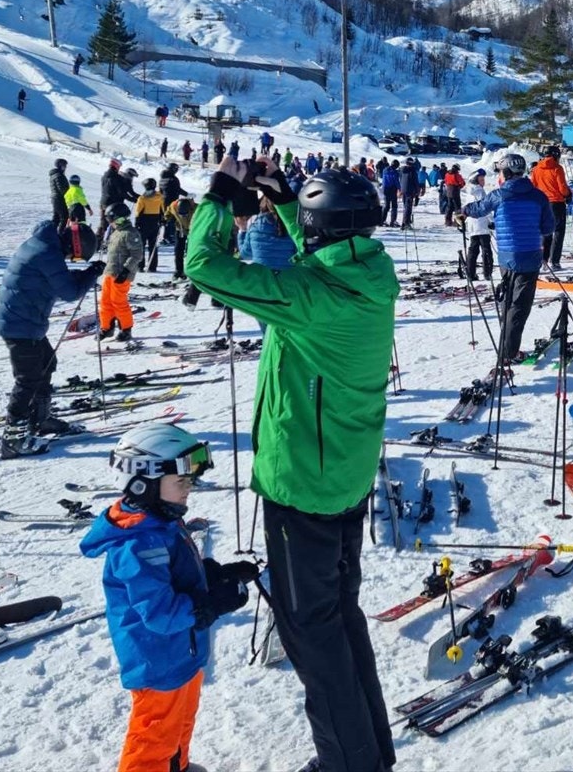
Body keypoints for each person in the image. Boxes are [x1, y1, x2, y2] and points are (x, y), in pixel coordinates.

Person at [184, 159, 398, 772]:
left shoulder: (309, 297)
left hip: (302, 484)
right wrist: (282, 202)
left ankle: (346, 762)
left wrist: (221, 195)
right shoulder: (365, 274)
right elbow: (319, 249)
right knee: (339, 618)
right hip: (343, 475)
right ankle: (368, 754)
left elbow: (202, 266)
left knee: (311, 632)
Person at [79, 423, 255, 772]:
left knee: (181, 722)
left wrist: (215, 575)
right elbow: (159, 613)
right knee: (154, 736)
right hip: (157, 660)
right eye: (181, 482)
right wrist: (211, 603)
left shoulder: (160, 522)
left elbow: (176, 575)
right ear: (143, 482)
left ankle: (178, 766)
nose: (189, 489)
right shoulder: (137, 544)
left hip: (182, 651)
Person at [0, 221, 105, 457]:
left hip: (24, 320)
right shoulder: (47, 253)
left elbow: (58, 277)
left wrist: (85, 273)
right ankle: (13, 438)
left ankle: (40, 420)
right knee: (28, 379)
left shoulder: (44, 245)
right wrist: (91, 273)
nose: (72, 259)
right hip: (20, 324)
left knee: (46, 364)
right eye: (75, 256)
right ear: (75, 245)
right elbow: (69, 292)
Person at [461, 151, 552, 366]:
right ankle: (508, 352)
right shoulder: (538, 196)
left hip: (507, 259)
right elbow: (548, 227)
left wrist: (463, 210)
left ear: (507, 172)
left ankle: (507, 346)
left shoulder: (499, 195)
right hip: (530, 257)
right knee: (519, 306)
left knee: (508, 301)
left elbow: (478, 209)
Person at [100, 203, 146, 341]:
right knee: (105, 301)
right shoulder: (116, 232)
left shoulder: (130, 233)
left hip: (122, 274)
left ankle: (126, 329)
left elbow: (137, 254)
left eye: (112, 220)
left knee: (118, 302)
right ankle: (107, 327)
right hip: (110, 271)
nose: (111, 223)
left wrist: (126, 270)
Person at [531, 145, 571, 268]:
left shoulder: (536, 169)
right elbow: (562, 188)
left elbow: (533, 186)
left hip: (542, 203)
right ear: (555, 155)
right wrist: (568, 194)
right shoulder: (557, 168)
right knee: (558, 231)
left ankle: (543, 259)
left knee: (546, 232)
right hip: (556, 203)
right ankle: (555, 261)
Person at [461, 168, 494, 280]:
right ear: (476, 180)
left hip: (472, 225)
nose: (483, 182)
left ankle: (471, 273)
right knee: (486, 249)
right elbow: (485, 208)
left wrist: (463, 221)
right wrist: (491, 221)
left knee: (473, 249)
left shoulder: (469, 192)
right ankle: (487, 272)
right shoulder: (480, 191)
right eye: (481, 179)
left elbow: (465, 208)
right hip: (482, 224)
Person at [135, 178, 165, 273]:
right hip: (155, 221)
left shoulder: (142, 198)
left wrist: (137, 222)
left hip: (144, 221)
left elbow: (138, 212)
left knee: (142, 245)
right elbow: (162, 209)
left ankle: (140, 266)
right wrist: (162, 220)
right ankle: (153, 266)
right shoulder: (159, 196)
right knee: (153, 244)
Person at [64, 174, 95, 260]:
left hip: (71, 210)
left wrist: (69, 215)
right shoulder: (77, 190)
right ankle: (82, 246)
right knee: (81, 227)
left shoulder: (68, 192)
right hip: (78, 209)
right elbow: (82, 200)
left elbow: (67, 204)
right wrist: (89, 208)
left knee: (73, 228)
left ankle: (73, 248)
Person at [167, 194, 196, 281]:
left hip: (193, 230)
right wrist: (166, 218)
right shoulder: (173, 206)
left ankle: (192, 271)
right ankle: (178, 271)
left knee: (192, 251)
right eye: (181, 214)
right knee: (178, 250)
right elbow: (168, 212)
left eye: (185, 214)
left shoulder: (197, 208)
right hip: (180, 229)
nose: (184, 216)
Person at [50, 158, 71, 232]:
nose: (65, 167)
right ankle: (60, 234)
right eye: (64, 165)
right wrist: (69, 197)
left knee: (56, 218)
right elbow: (62, 189)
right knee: (64, 217)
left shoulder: (56, 174)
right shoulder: (59, 175)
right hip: (59, 199)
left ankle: (52, 234)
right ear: (60, 166)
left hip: (56, 198)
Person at [441, 163, 465, 227]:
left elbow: (445, 181)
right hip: (455, 191)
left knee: (449, 206)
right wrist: (460, 186)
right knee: (457, 207)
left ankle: (447, 221)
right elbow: (462, 183)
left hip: (448, 192)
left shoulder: (447, 174)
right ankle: (457, 222)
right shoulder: (457, 175)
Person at [380, 160, 401, 226]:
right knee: (394, 206)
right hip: (392, 189)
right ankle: (393, 221)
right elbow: (396, 181)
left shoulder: (385, 170)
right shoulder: (395, 172)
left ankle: (382, 220)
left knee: (386, 206)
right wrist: (400, 188)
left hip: (385, 189)